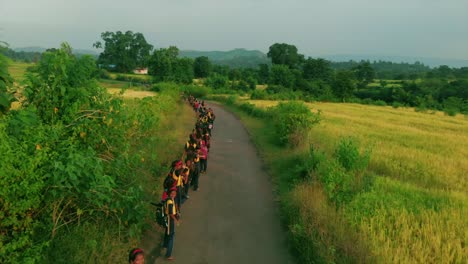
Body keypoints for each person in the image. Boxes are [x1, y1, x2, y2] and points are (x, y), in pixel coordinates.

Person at [164, 189, 179, 261]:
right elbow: (170, 213)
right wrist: (176, 220)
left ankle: (165, 245)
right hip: (170, 220)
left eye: (175, 193)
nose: (173, 194)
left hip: (169, 220)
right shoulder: (170, 201)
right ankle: (168, 255)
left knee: (168, 234)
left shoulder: (171, 199)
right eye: (172, 193)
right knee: (171, 236)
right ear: (169, 193)